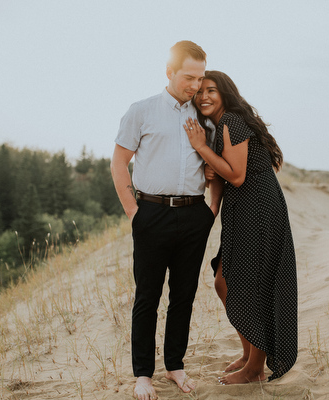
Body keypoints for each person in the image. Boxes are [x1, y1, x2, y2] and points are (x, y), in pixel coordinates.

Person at [111, 41, 221, 400]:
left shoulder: (204, 116)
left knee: (184, 295)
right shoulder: (141, 111)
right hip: (151, 213)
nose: (195, 85)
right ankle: (143, 374)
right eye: (189, 77)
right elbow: (118, 162)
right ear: (170, 72)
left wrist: (209, 210)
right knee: (147, 296)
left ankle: (175, 364)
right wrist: (133, 212)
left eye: (200, 77)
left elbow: (215, 165)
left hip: (194, 214)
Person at [183, 70, 297, 384]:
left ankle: (256, 369)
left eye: (211, 90)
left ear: (225, 93)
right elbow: (225, 176)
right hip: (242, 209)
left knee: (250, 284)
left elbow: (237, 175)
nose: (203, 96)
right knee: (224, 280)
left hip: (257, 208)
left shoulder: (231, 121)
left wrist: (201, 147)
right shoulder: (221, 125)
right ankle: (250, 353)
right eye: (199, 91)